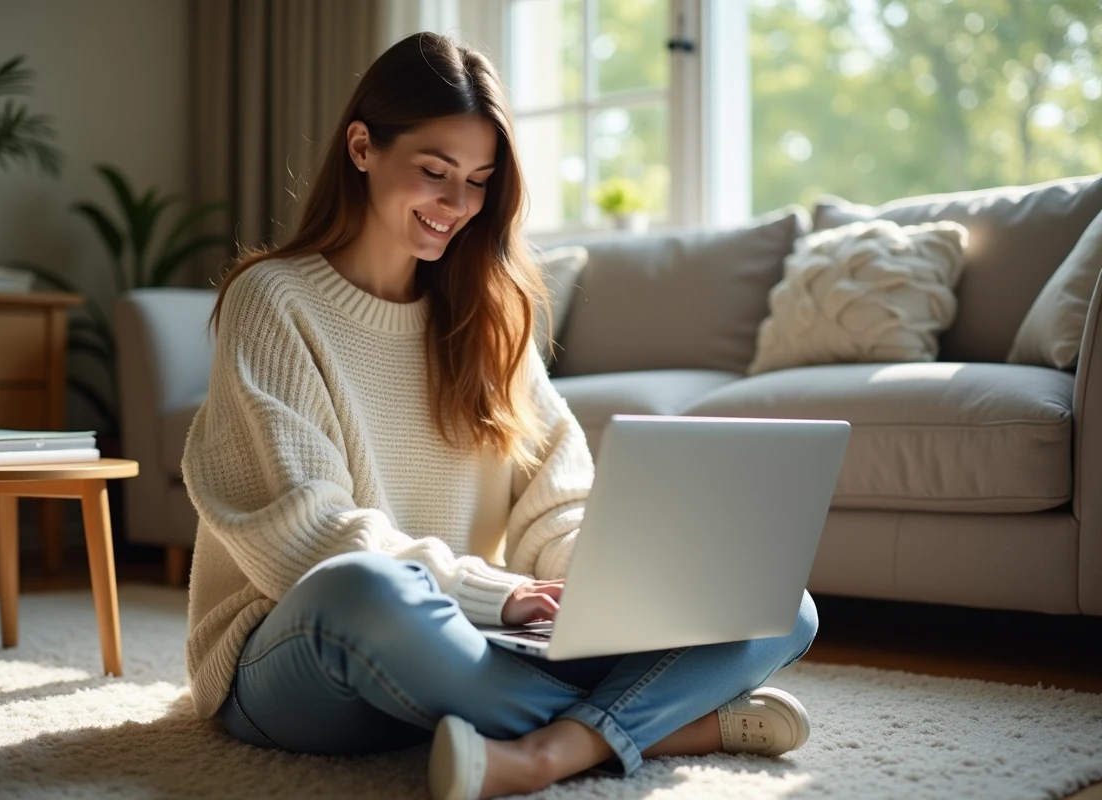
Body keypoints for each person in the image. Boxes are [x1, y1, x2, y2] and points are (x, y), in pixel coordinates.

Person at [181, 31, 818, 800]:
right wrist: (491, 593)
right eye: (435, 172)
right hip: (302, 653)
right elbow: (306, 539)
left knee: (773, 601)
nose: (458, 206)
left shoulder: (489, 313)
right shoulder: (274, 300)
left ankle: (547, 751)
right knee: (366, 589)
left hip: (465, 647)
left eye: (480, 181)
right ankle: (668, 724)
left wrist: (607, 584)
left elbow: (558, 502)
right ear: (361, 147)